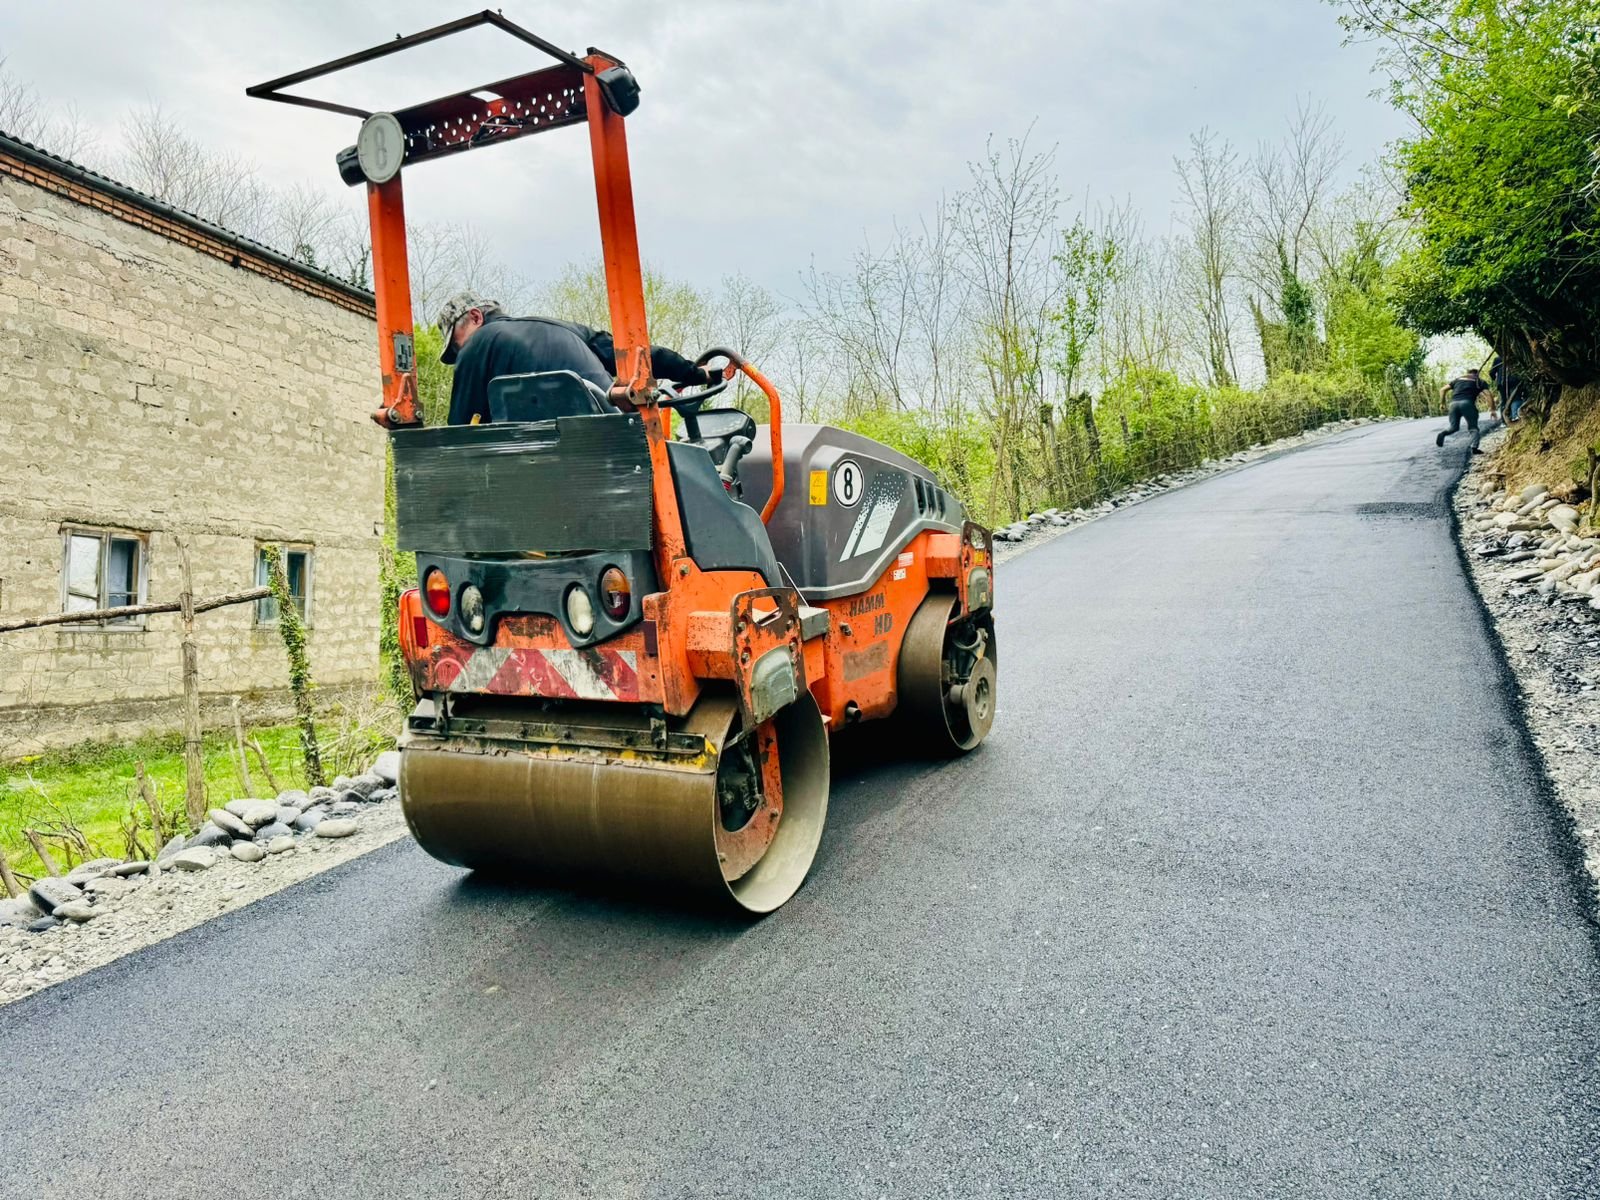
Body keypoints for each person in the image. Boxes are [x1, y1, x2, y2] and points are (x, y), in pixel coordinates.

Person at [435, 292, 717, 426]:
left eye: (456, 345)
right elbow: (638, 356)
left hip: (551, 464)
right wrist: (697, 374)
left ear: (476, 317)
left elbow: (459, 433)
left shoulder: (478, 344)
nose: (459, 354)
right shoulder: (562, 329)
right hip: (619, 440)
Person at [1435, 367, 1494, 454]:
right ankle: (1474, 448)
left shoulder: (1458, 380)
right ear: (1477, 374)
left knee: (1453, 427)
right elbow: (1488, 395)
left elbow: (1442, 389)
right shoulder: (1479, 381)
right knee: (1473, 428)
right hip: (1467, 404)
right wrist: (1492, 409)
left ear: (1467, 373)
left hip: (1453, 404)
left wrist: (1442, 403)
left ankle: (1443, 434)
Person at [1491, 355, 1525, 422]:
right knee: (1515, 397)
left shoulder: (1497, 359)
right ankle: (1515, 416)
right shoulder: (1514, 355)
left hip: (1502, 382)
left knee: (1504, 400)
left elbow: (1492, 372)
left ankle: (1504, 421)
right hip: (1514, 380)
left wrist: (1496, 379)